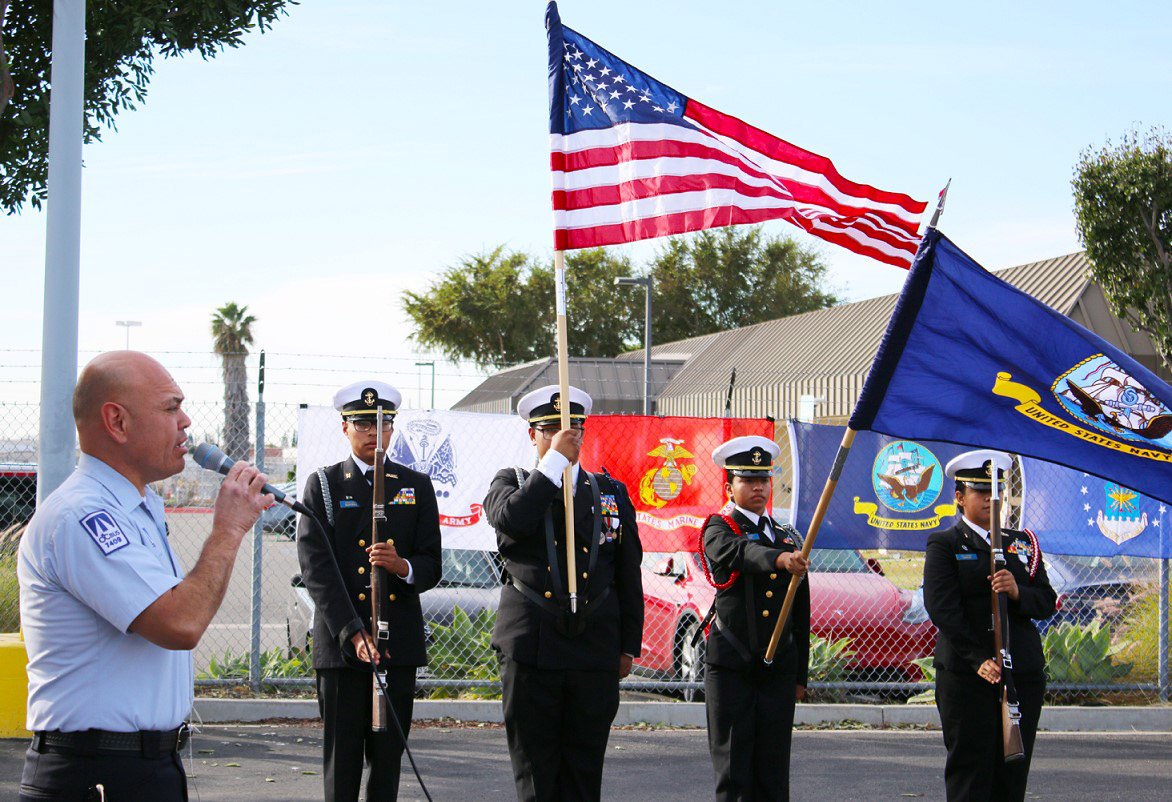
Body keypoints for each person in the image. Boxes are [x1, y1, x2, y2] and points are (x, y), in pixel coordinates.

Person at [17, 351, 272, 801]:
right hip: (96, 775)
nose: (186, 421)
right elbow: (179, 623)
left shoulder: (138, 507)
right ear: (117, 422)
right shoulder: (82, 515)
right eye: (170, 407)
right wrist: (229, 528)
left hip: (143, 769)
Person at [484, 384, 643, 802]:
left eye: (572, 429)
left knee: (584, 770)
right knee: (537, 772)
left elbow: (627, 570)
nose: (564, 436)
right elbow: (512, 524)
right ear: (532, 435)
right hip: (533, 647)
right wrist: (553, 461)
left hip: (593, 649)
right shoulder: (512, 483)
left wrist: (628, 645)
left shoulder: (608, 491)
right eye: (551, 430)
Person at [296, 380, 442, 802]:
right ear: (345, 427)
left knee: (387, 761)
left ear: (392, 429)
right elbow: (317, 569)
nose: (372, 433)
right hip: (344, 646)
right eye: (362, 424)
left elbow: (432, 564)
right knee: (342, 763)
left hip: (395, 645)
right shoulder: (324, 485)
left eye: (382, 424)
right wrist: (352, 631)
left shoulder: (414, 484)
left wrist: (403, 566)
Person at [923, 449, 1056, 802]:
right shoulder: (946, 544)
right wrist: (977, 657)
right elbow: (942, 607)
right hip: (969, 676)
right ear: (959, 497)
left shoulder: (1021, 545)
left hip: (1020, 674)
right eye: (980, 492)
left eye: (995, 492)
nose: (989, 500)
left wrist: (1017, 593)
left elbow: (1046, 600)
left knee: (1011, 776)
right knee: (971, 772)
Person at [699, 435, 810, 802]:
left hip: (777, 669)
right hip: (733, 667)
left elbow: (800, 612)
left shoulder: (787, 535)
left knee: (773, 772)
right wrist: (779, 560)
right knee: (734, 773)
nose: (759, 487)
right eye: (748, 480)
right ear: (730, 486)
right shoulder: (719, 527)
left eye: (764, 479)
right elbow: (738, 552)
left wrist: (799, 675)